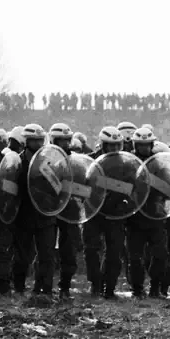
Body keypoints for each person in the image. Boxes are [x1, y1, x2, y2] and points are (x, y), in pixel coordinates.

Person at [12, 124, 56, 296]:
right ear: (26, 141)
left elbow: (56, 187)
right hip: (24, 215)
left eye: (40, 140)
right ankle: (19, 287)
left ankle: (44, 289)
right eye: (34, 141)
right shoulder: (17, 162)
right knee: (22, 255)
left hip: (45, 215)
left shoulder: (48, 162)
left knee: (47, 255)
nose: (38, 144)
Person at [85, 127, 128, 298]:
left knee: (114, 252)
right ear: (103, 145)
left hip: (115, 213)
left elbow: (133, 186)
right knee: (91, 250)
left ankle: (110, 287)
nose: (115, 148)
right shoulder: (89, 160)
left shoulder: (125, 163)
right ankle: (95, 284)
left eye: (117, 145)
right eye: (111, 145)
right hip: (93, 212)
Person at [127, 127, 170, 298]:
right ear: (135, 145)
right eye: (141, 144)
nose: (144, 148)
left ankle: (155, 287)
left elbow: (169, 190)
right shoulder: (129, 163)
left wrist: (155, 183)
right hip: (135, 216)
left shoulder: (159, 164)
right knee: (135, 257)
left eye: (147, 144)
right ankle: (137, 289)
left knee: (160, 254)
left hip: (155, 214)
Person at [49, 123, 81, 298]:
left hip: (70, 211)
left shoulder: (76, 161)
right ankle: (44, 286)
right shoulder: (44, 159)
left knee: (69, 252)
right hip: (49, 210)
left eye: (67, 140)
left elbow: (84, 183)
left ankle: (65, 287)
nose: (65, 144)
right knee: (46, 251)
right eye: (61, 140)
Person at [0, 124, 14, 296]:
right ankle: (2, 287)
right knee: (0, 251)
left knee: (1, 251)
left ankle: (3, 287)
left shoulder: (3, 161)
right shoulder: (2, 160)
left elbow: (10, 187)